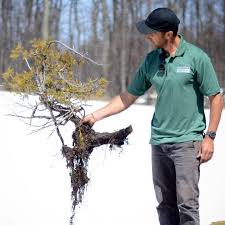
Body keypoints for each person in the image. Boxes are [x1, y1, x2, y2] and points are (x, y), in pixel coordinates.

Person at [82, 7, 224, 225]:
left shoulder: (196, 58)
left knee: (187, 205)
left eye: (151, 32)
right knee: (165, 205)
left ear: (168, 34)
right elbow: (128, 96)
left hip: (187, 143)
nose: (146, 35)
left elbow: (216, 97)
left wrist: (210, 137)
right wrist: (95, 116)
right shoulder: (151, 61)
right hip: (158, 143)